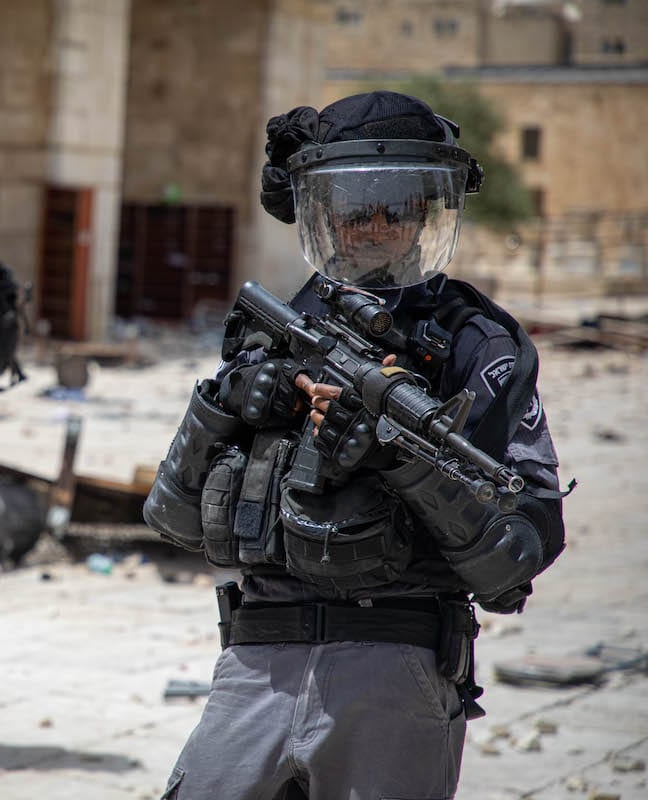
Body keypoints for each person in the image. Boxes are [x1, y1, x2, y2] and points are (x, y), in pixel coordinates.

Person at [144, 91, 568, 799]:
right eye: (355, 209)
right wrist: (225, 408)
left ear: (426, 215)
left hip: (393, 660)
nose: (375, 227)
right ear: (321, 214)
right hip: (257, 658)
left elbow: (520, 555)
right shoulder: (277, 329)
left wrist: (400, 457)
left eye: (396, 210)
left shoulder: (476, 343)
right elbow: (173, 520)